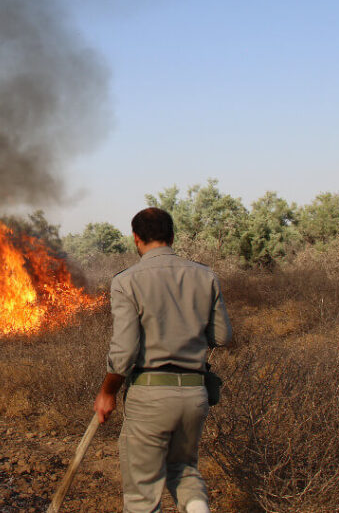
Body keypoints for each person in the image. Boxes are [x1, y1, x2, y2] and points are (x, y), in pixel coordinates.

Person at [94, 207, 232, 513]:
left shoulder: (126, 281)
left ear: (136, 238)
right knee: (184, 468)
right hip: (195, 395)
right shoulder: (205, 276)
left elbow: (125, 350)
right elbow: (222, 336)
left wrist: (107, 393)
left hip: (150, 395)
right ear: (172, 236)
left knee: (143, 493)